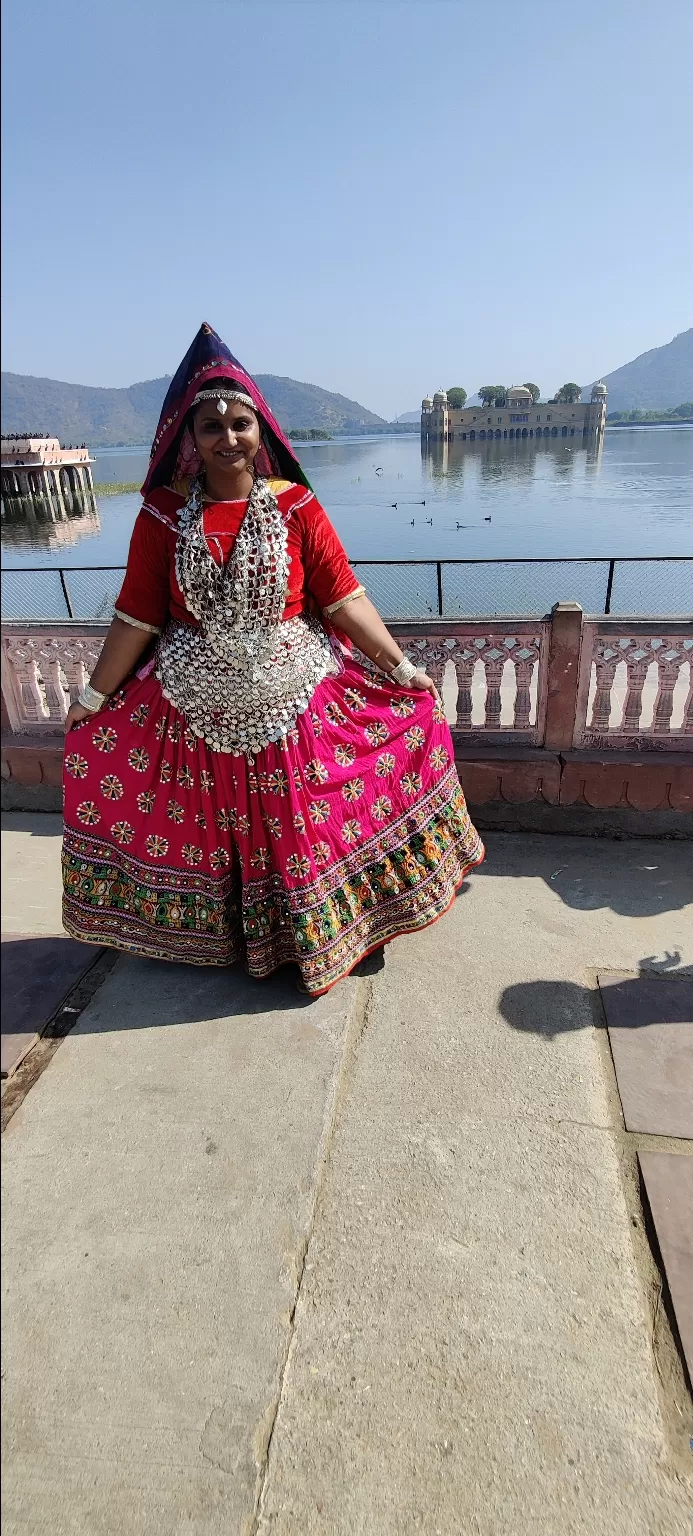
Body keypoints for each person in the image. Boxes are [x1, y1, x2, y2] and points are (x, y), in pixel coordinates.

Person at [62, 324, 484, 995]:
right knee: (216, 826)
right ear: (188, 439)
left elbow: (342, 597)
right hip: (192, 701)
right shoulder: (162, 514)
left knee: (299, 817)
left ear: (262, 430)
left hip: (294, 693)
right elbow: (137, 614)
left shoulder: (295, 505)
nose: (228, 439)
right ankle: (224, 939)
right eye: (211, 427)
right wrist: (93, 696)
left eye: (240, 423)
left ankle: (318, 935)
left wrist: (401, 669)